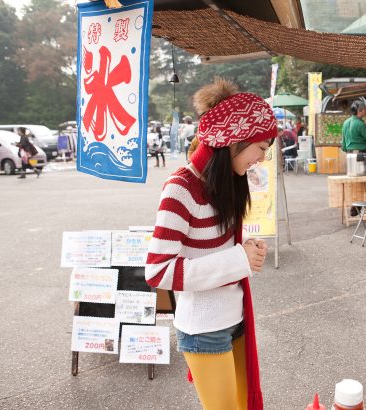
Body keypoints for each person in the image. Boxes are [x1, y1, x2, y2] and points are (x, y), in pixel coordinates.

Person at [145, 78, 277, 410]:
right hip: (204, 329)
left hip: (234, 318)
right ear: (234, 141)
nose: (261, 159)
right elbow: (158, 271)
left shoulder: (226, 181)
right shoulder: (181, 188)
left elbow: (213, 245)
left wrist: (244, 246)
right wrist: (239, 260)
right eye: (261, 148)